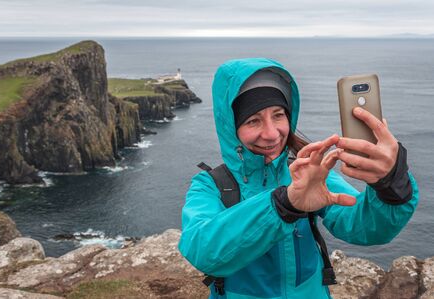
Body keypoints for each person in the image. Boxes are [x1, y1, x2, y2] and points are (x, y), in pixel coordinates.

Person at [178, 58, 418, 299]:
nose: (272, 133)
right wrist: (284, 204)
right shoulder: (211, 185)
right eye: (253, 120)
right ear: (232, 127)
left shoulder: (304, 172)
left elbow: (364, 227)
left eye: (278, 115)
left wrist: (390, 184)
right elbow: (202, 251)